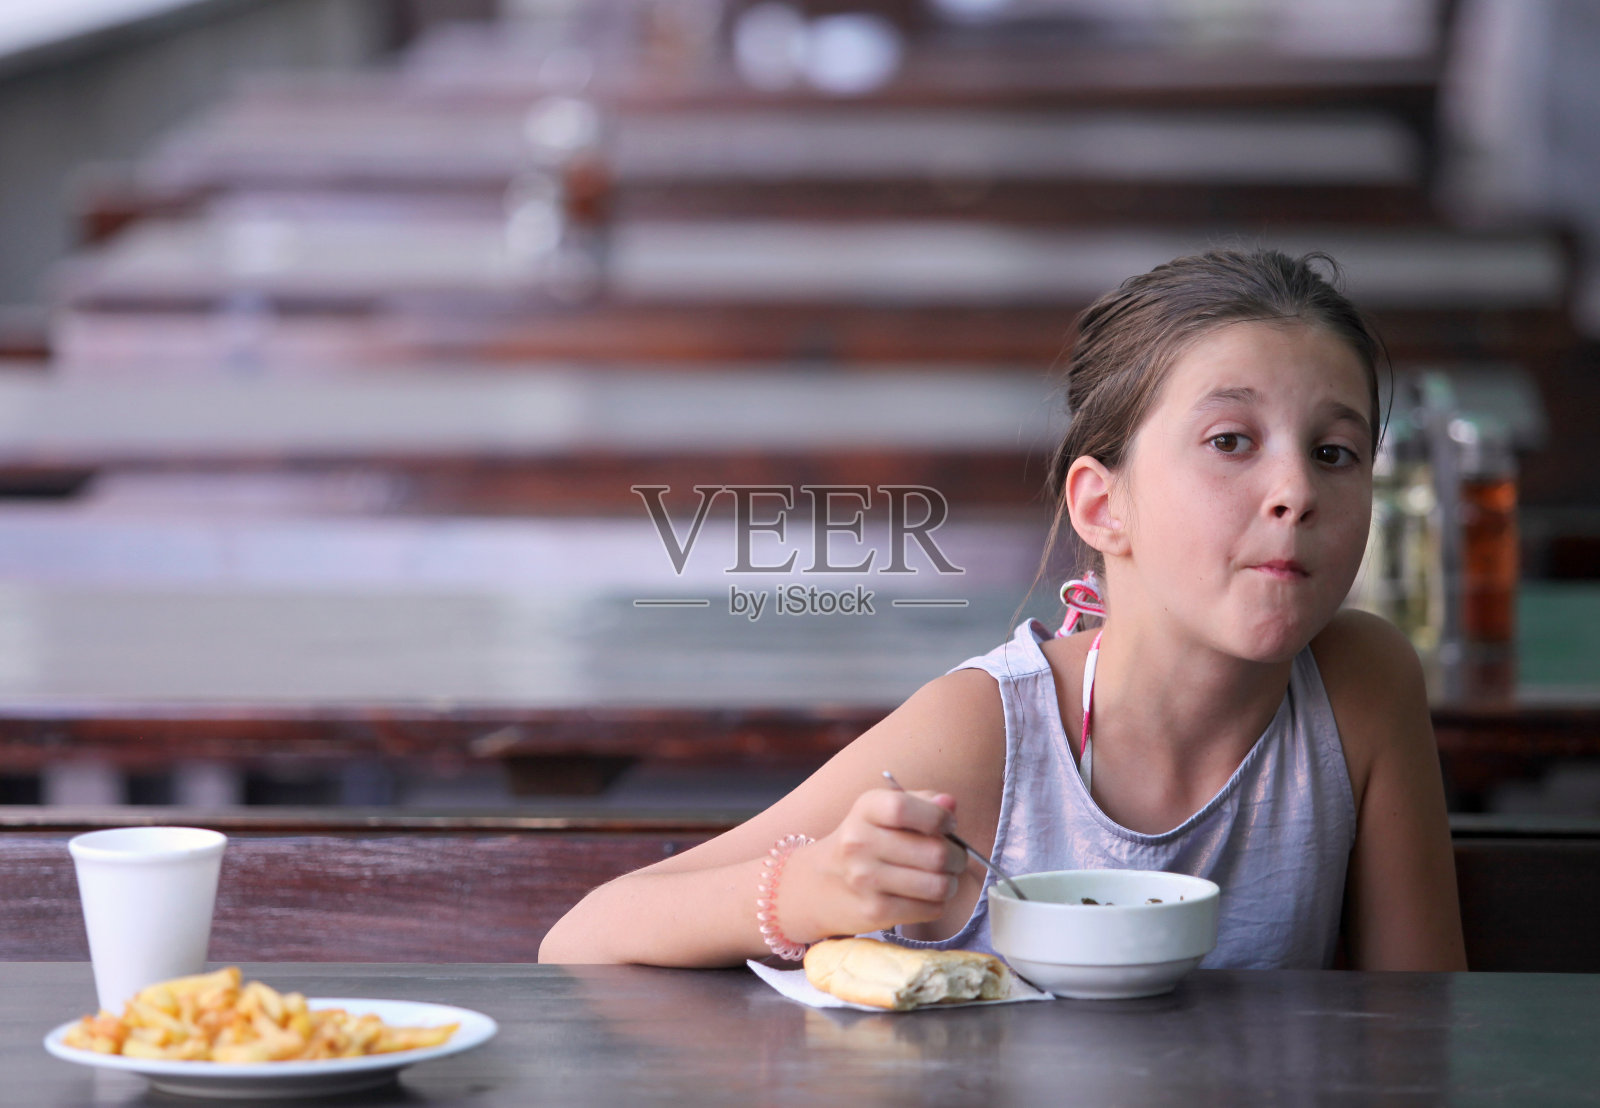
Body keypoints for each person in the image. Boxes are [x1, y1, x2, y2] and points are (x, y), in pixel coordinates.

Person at [539, 249, 1469, 971]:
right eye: (1230, 441)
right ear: (1105, 507)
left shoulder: (1361, 683)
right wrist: (811, 891)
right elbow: (581, 939)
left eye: (1336, 452)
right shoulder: (994, 732)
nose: (1294, 490)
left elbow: (1427, 1030)